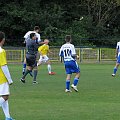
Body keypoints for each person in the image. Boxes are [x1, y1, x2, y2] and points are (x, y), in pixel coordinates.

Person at [0, 31, 14, 120]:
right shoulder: (1, 51)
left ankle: (8, 117)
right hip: (1, 78)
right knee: (5, 96)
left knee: (4, 97)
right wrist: (9, 79)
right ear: (3, 40)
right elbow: (4, 66)